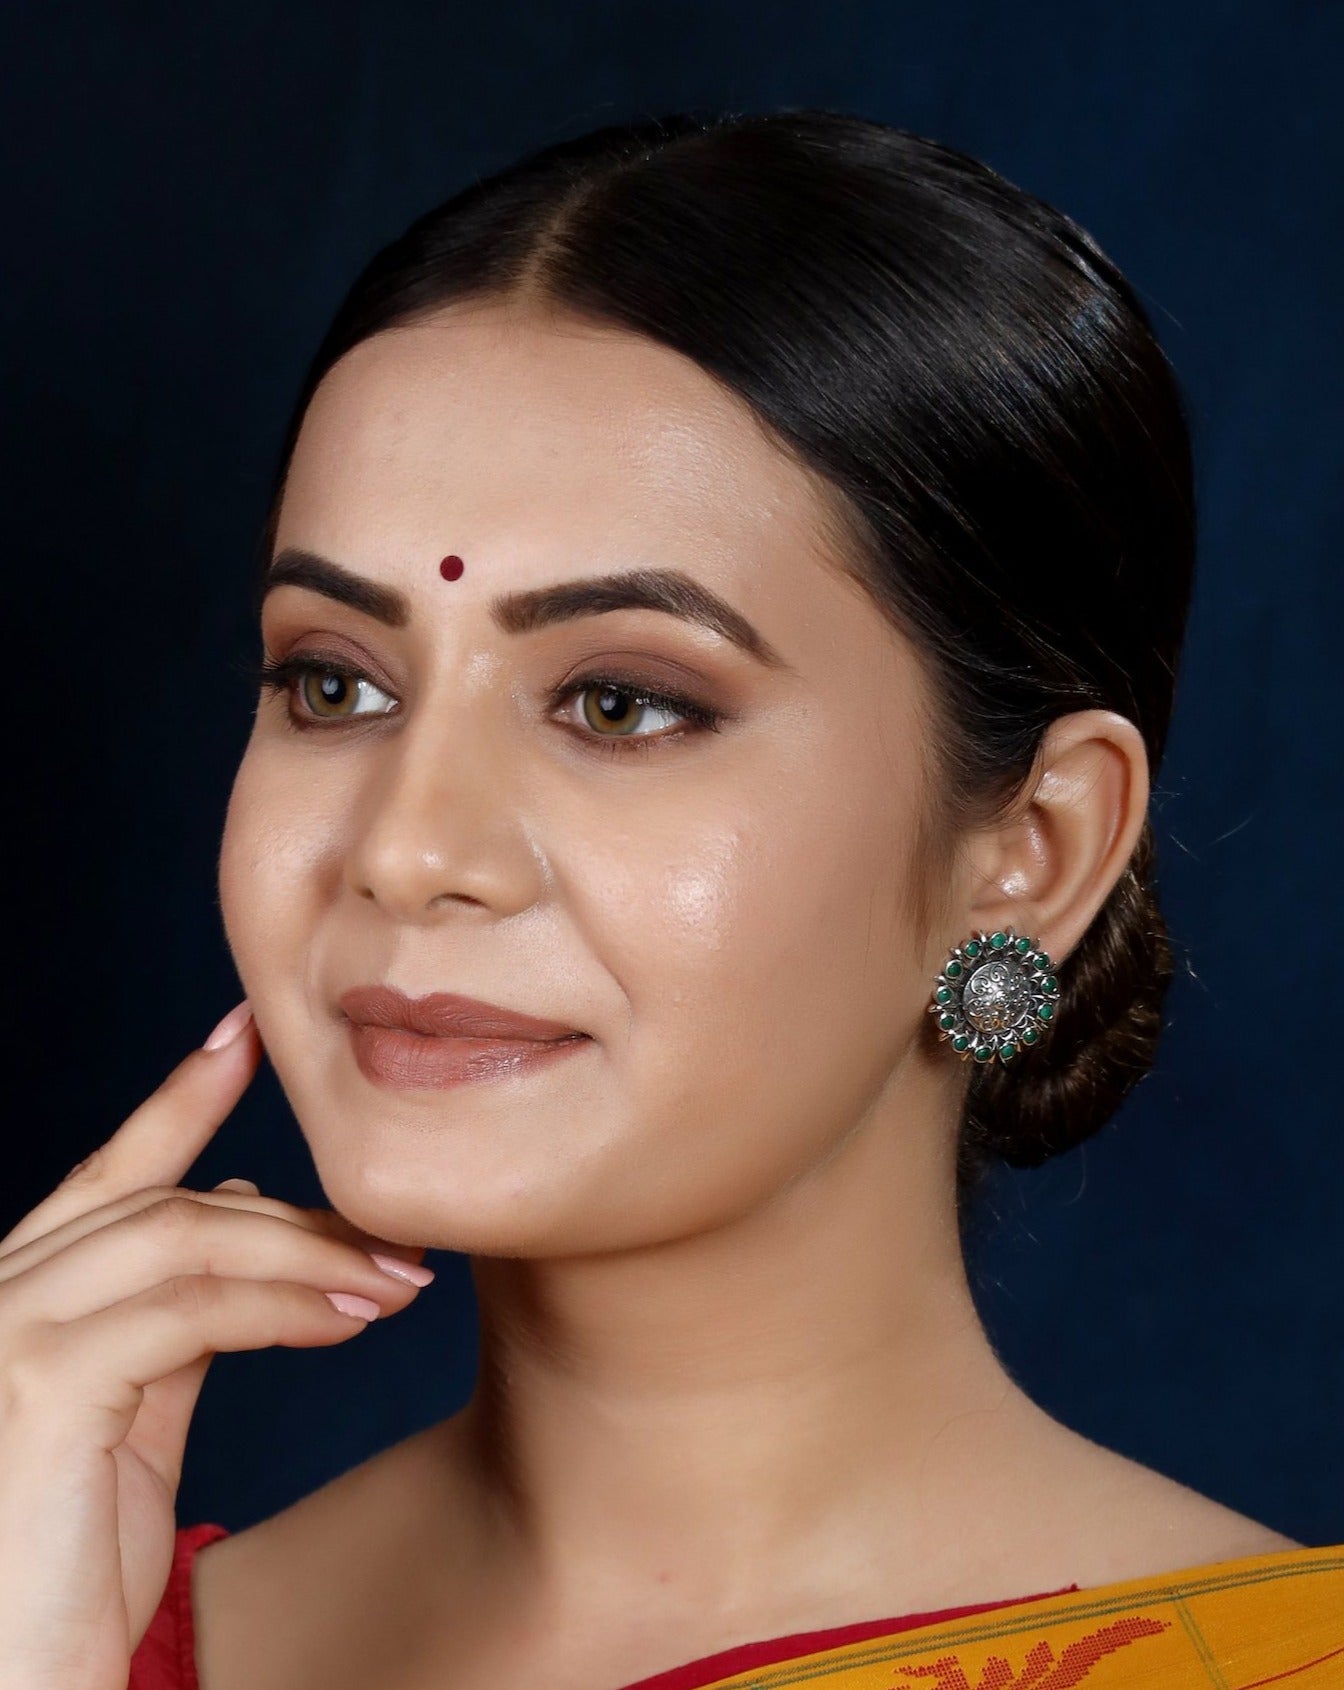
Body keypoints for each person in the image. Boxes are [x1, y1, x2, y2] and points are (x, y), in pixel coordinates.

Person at [1, 108, 1337, 1690]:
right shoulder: (72, 1615)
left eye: (621, 702)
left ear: (1033, 849)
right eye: (335, 683)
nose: (405, 848)